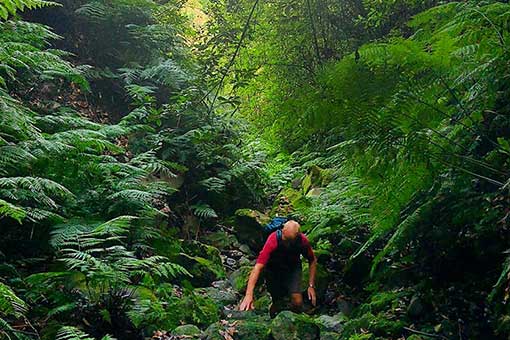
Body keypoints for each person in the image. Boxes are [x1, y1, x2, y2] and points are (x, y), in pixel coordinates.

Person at [239, 220, 317, 317]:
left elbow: (312, 260)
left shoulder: (302, 241)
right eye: (285, 239)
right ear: (282, 230)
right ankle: (275, 317)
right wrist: (248, 295)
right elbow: (258, 267)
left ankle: (292, 319)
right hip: (273, 269)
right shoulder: (273, 240)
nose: (286, 243)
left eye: (289, 241)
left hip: (292, 268)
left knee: (297, 302)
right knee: (277, 300)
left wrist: (311, 285)